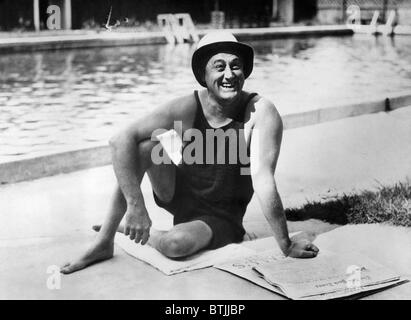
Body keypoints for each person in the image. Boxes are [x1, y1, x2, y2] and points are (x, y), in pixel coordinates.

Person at [61, 31, 319, 274]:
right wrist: (135, 206)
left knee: (176, 245)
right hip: (181, 193)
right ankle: (104, 241)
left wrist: (285, 244)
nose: (229, 74)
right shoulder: (188, 107)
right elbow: (119, 141)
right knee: (144, 147)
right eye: (219, 67)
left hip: (221, 215)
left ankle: (140, 233)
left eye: (235, 65)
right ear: (203, 75)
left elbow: (263, 179)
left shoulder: (260, 112)